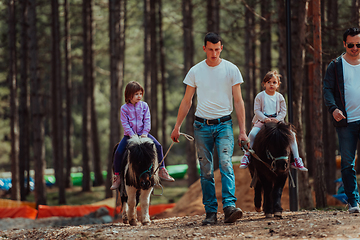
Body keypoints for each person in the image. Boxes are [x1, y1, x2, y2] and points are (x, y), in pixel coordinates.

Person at [170, 32, 248, 225]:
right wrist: (177, 126)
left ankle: (229, 207)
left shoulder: (231, 69)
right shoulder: (196, 71)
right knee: (205, 171)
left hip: (224, 125)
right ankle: (210, 212)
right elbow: (187, 101)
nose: (214, 53)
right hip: (201, 126)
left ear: (221, 48)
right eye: (210, 49)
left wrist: (243, 130)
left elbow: (238, 101)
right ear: (204, 48)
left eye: (217, 49)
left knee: (225, 164)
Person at [110, 81, 174, 190]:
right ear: (129, 95)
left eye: (140, 93)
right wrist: (132, 135)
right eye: (136, 94)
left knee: (158, 146)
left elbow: (147, 120)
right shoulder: (124, 108)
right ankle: (118, 176)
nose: (139, 96)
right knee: (118, 152)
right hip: (129, 136)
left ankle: (162, 170)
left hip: (144, 134)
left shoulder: (144, 106)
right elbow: (125, 123)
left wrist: (145, 133)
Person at [239, 70, 308, 171]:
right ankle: (247, 155)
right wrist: (264, 119)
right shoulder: (260, 96)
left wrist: (277, 119)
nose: (271, 84)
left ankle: (296, 159)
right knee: (253, 134)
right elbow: (257, 110)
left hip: (277, 122)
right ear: (264, 84)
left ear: (278, 85)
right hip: (263, 121)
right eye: (269, 82)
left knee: (291, 135)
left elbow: (283, 111)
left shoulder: (280, 97)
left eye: (274, 82)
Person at [323, 27, 360, 213]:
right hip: (346, 122)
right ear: (344, 44)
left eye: (358, 44)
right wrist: (333, 108)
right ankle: (354, 202)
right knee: (347, 163)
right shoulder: (335, 65)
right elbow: (327, 89)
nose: (355, 48)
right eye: (351, 44)